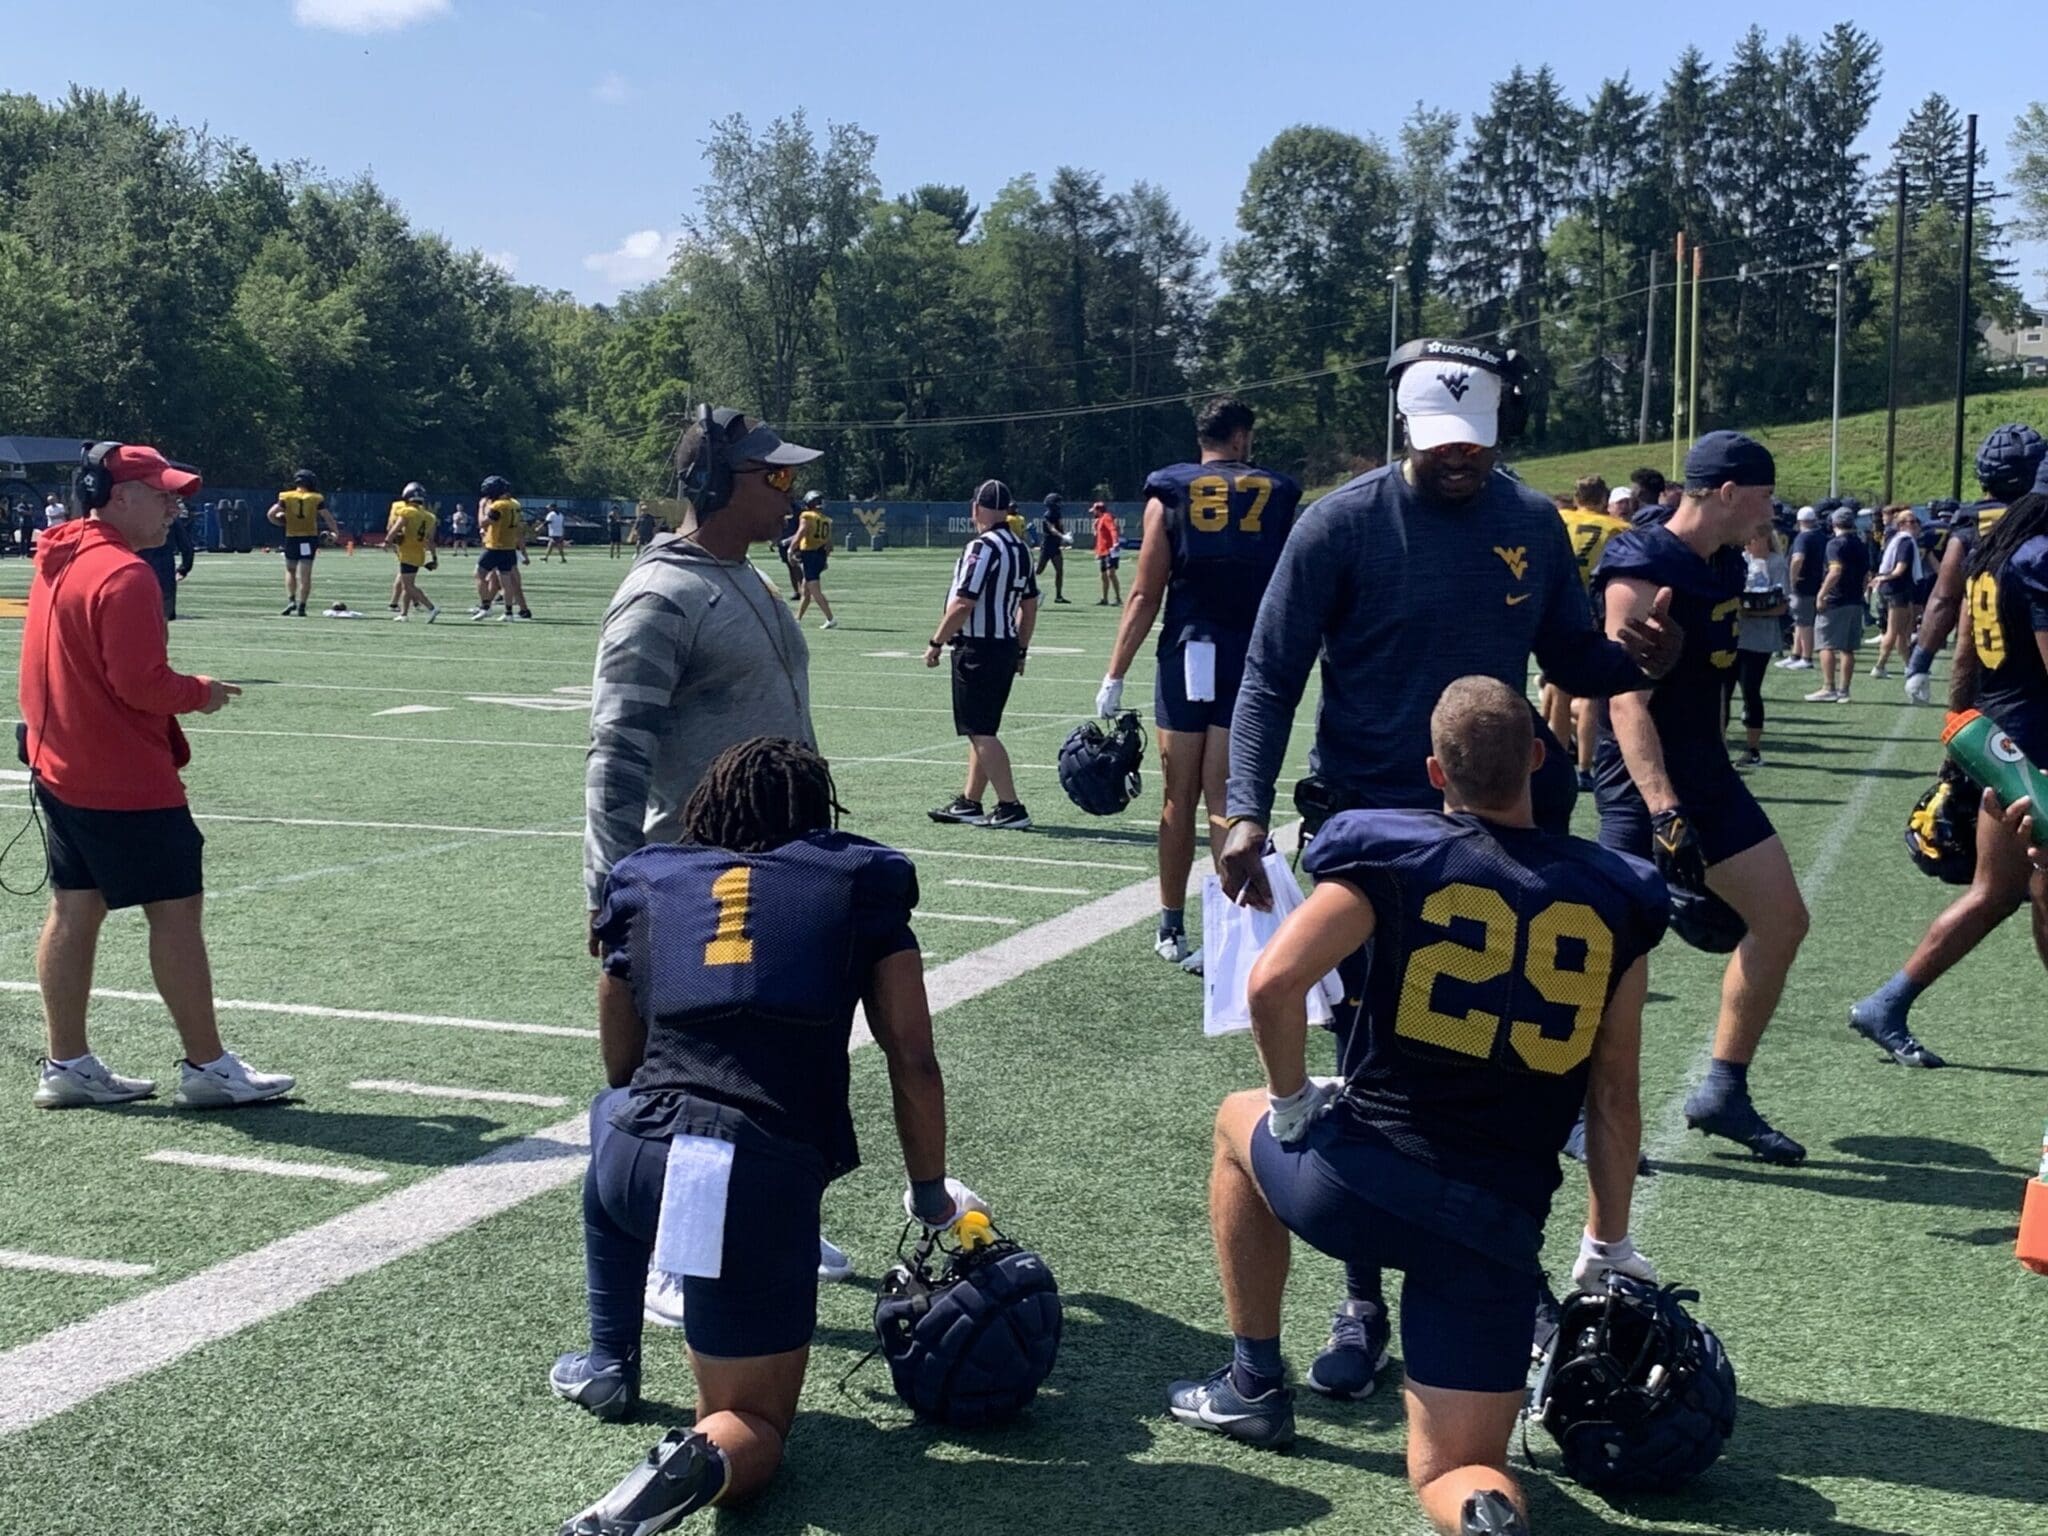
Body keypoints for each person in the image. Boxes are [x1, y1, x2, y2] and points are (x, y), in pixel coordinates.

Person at [1165, 678, 1666, 1536]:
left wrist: (1291, 1101)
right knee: (1458, 1467)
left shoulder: (1391, 853)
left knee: (1231, 1122)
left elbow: (1273, 984)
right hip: (1496, 1225)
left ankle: (1252, 1383)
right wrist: (1606, 1242)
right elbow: (1614, 1097)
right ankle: (1484, 1517)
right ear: (1540, 759)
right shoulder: (1614, 895)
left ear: (1436, 772)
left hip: (1365, 1183)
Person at [558, 736, 984, 1536]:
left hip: (633, 1157)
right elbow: (912, 1058)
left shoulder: (647, 877)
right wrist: (930, 1195)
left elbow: (620, 1064)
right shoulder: (861, 879)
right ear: (818, 815)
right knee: (750, 1426)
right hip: (741, 1172)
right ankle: (643, 1500)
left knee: (606, 1110)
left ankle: (609, 1362)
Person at [583, 406, 858, 1299]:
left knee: (777, 1067)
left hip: (776, 871)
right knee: (695, 1082)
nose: (790, 490)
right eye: (772, 476)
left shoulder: (749, 578)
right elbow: (616, 751)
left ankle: (771, 1221)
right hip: (695, 878)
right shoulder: (661, 593)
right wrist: (610, 890)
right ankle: (676, 1256)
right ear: (714, 483)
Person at [22, 443, 293, 1111]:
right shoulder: (126, 574)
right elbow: (141, 683)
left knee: (74, 908)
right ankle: (207, 1066)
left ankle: (67, 1062)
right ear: (118, 497)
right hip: (121, 775)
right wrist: (200, 691)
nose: (176, 506)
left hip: (60, 765)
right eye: (162, 493)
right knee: (174, 913)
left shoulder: (60, 555)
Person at [1594, 431, 1809, 1164]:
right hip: (1642, 783)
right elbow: (1624, 704)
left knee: (1781, 920)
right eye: (1764, 493)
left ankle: (1723, 1089)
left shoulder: (1717, 561)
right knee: (1617, 962)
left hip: (1706, 770)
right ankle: (1578, 1110)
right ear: (1725, 492)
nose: (1771, 507)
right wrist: (1662, 808)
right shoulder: (1643, 563)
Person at [1093, 396, 1303, 971]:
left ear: (1204, 441)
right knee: (1225, 800)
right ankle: (1229, 933)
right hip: (1252, 654)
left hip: (1188, 649)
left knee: (1176, 797)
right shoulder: (1278, 493)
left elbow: (1144, 591)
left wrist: (1115, 672)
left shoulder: (1172, 491)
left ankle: (1170, 925)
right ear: (1241, 440)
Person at [1849, 487, 2048, 1065]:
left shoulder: (1999, 551)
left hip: (2000, 738)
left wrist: (1957, 748)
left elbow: (1965, 652)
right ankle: (1886, 1002)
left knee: (2006, 892)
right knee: (2020, 889)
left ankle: (1886, 1002)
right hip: (2034, 749)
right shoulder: (2036, 556)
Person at [925, 479, 1038, 831]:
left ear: (977, 508)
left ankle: (1010, 806)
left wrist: (936, 642)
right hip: (1004, 646)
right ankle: (970, 801)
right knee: (981, 728)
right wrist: (1021, 648)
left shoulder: (982, 547)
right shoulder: (1020, 548)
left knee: (981, 731)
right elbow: (1030, 606)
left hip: (978, 648)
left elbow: (963, 602)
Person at [1904, 425, 2046, 705]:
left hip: (1988, 679)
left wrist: (1920, 661)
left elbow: (1945, 600)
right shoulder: (2037, 533)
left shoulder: (1971, 528)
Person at [1551, 476, 1637, 793]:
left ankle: (1558, 761)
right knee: (1588, 692)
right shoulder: (1618, 529)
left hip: (1557, 605)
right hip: (1592, 608)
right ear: (1603, 499)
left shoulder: (1559, 518)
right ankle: (1585, 767)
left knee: (1557, 689)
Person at [1732, 527, 1788, 768]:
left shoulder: (1776, 563)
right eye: (1749, 537)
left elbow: (1782, 605)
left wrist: (1753, 609)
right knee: (1721, 691)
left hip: (1760, 638)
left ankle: (1753, 749)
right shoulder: (1739, 560)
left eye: (1756, 537)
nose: (1750, 542)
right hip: (1733, 636)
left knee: (1750, 690)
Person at [1807, 505, 1869, 702]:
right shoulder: (1861, 543)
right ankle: (1844, 690)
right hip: (1855, 599)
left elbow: (1835, 571)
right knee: (1847, 648)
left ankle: (1828, 687)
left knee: (1826, 644)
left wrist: (1821, 594)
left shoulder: (1835, 544)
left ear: (1834, 523)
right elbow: (1867, 574)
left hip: (1836, 600)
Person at [266, 468, 342, 616]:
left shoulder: (286, 496)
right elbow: (327, 517)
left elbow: (271, 514)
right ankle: (302, 606)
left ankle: (291, 600)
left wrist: (282, 522)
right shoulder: (316, 497)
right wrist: (335, 532)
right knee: (305, 574)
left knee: (290, 570)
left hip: (292, 537)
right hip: (308, 538)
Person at [1870, 507, 1925, 679]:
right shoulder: (1906, 542)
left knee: (1903, 630)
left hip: (1897, 589)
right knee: (1894, 631)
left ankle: (1909, 665)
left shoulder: (1898, 539)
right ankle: (1879, 666)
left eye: (1915, 521)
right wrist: (1885, 577)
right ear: (1901, 525)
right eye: (1911, 521)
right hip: (1897, 589)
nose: (1915, 524)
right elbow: (1900, 568)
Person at [471, 475, 531, 622]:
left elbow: (483, 523)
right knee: (506, 580)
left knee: (479, 574)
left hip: (495, 546)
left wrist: (481, 508)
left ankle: (485, 606)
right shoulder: (514, 504)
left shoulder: (498, 506)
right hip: (509, 546)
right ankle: (508, 612)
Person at [385, 483, 440, 622]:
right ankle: (404, 614)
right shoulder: (429, 516)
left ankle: (431, 607)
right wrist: (434, 557)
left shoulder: (407, 511)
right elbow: (431, 540)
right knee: (407, 584)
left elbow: (396, 528)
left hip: (407, 551)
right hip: (419, 552)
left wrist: (387, 541)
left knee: (409, 585)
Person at [1780, 505, 1826, 671]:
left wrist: (1792, 580)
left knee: (1804, 622)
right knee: (1799, 621)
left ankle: (1806, 657)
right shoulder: (1820, 536)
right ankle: (1795, 654)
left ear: (1800, 522)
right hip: (1815, 583)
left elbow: (1798, 559)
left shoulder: (1803, 538)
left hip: (1803, 585)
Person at [140, 497, 196, 621]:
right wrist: (184, 568)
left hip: (142, 571)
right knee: (164, 617)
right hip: (165, 571)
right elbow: (186, 546)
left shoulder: (138, 520)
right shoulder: (172, 521)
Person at [792, 490, 836, 630]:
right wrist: (825, 560)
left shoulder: (807, 516)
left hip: (809, 554)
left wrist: (791, 548)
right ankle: (797, 619)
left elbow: (801, 533)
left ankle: (831, 618)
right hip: (820, 555)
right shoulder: (826, 520)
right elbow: (829, 545)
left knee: (814, 590)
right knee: (805, 591)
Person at [1036, 492, 1071, 603]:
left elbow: (1060, 526)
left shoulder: (1058, 513)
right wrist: (1062, 536)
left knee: (1059, 570)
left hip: (1055, 546)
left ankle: (1059, 596)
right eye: (1057, 502)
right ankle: (1026, 588)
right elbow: (1052, 529)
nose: (1060, 504)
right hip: (1047, 546)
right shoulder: (1047, 515)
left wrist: (1065, 537)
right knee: (1038, 570)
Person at [1093, 501, 1122, 605]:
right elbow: (1100, 537)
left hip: (1110, 550)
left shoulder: (1106, 517)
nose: (1093, 513)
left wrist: (1115, 543)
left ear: (1099, 510)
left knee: (1111, 574)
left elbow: (1112, 529)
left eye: (1094, 510)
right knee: (1103, 575)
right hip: (1103, 551)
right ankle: (1105, 599)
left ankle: (1118, 598)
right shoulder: (1099, 520)